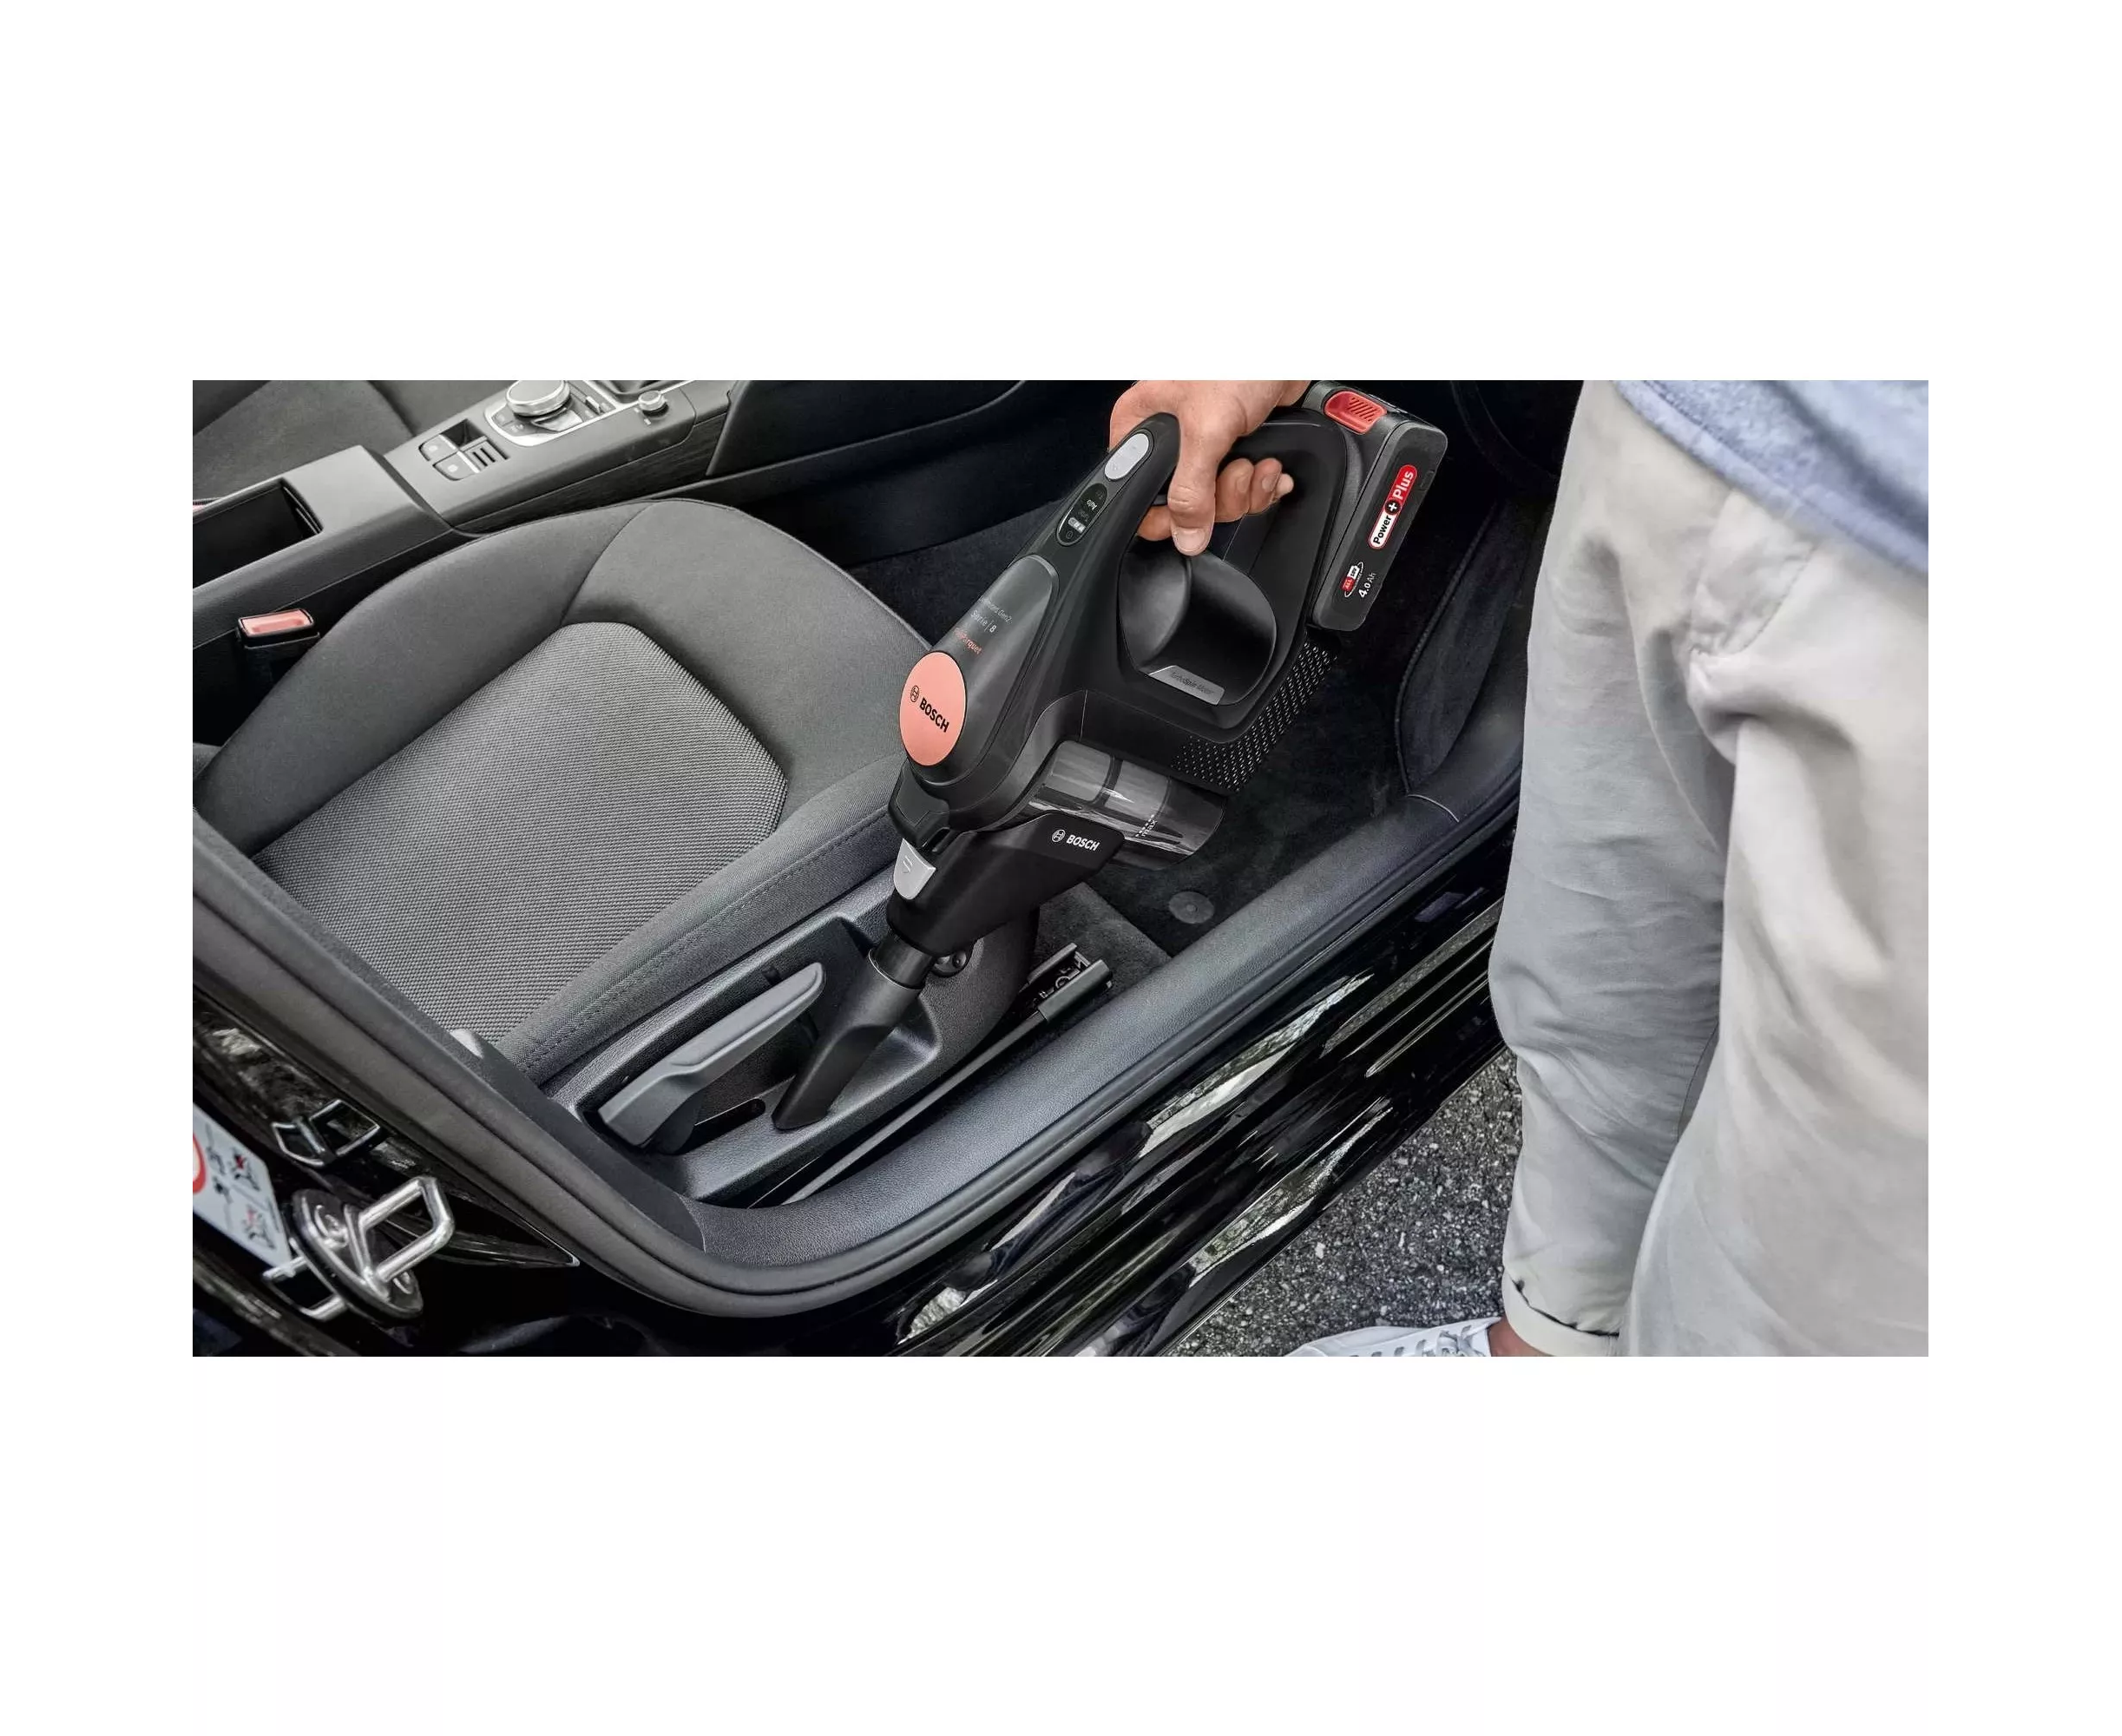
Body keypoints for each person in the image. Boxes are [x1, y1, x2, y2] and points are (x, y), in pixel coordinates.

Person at [1106, 380, 1928, 1357]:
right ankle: (1550, 1344)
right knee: (1588, 994)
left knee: (1828, 1213)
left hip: (1913, 584)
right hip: (1677, 421)